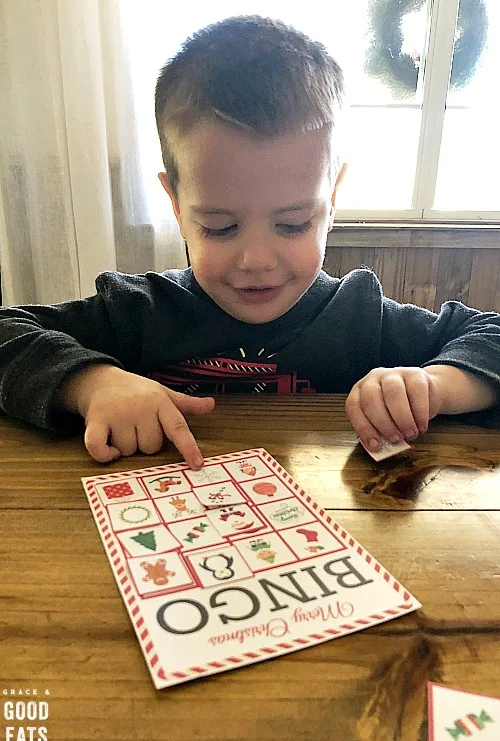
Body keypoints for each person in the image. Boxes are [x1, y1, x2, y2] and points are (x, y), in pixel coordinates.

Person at [0, 15, 499, 470]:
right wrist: (91, 383)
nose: (256, 261)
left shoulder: (359, 317)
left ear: (331, 203)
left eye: (292, 224)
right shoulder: (138, 313)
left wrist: (431, 386)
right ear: (175, 204)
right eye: (220, 227)